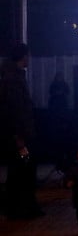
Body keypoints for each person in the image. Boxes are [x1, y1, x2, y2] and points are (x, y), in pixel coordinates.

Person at [0, 42, 44, 219]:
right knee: (23, 170)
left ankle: (18, 208)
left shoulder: (10, 77)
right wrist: (19, 137)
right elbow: (15, 109)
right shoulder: (14, 80)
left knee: (18, 170)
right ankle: (22, 208)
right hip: (21, 135)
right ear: (24, 56)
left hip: (18, 134)